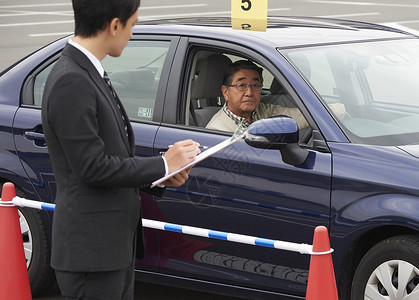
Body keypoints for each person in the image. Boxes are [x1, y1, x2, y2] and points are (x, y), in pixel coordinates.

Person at [41, 1, 200, 299]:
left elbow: (111, 158)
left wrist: (160, 175)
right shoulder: (71, 79)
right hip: (91, 252)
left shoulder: (86, 71)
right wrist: (163, 164)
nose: (132, 33)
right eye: (133, 24)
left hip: (109, 249)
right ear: (115, 25)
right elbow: (91, 167)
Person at [206, 60, 345, 132]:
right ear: (225, 92)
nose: (249, 93)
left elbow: (301, 117)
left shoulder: (264, 111)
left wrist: (337, 110)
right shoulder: (217, 130)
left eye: (255, 85)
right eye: (241, 86)